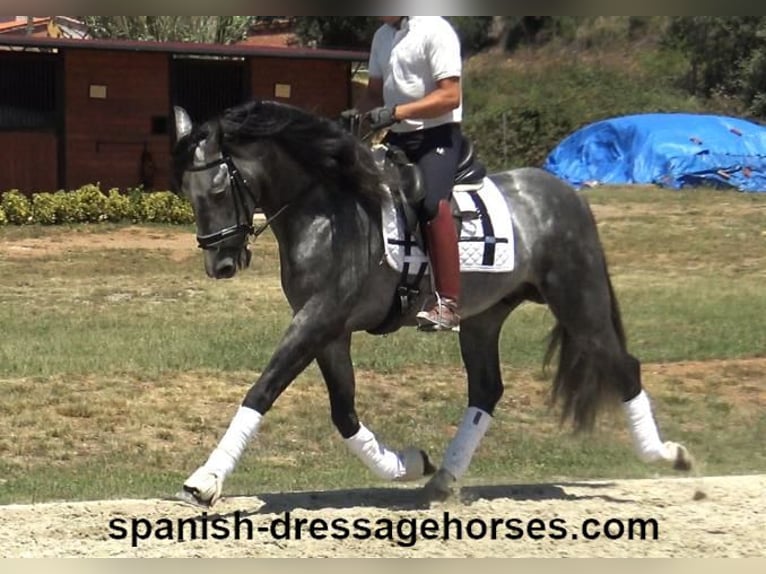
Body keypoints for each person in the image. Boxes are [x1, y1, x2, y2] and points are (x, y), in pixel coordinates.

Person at [361, 16, 464, 332]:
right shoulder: (382, 36)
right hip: (398, 138)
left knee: (431, 201)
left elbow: (450, 96)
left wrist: (396, 113)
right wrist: (356, 117)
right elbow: (375, 93)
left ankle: (447, 302)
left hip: (438, 137)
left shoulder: (436, 29)